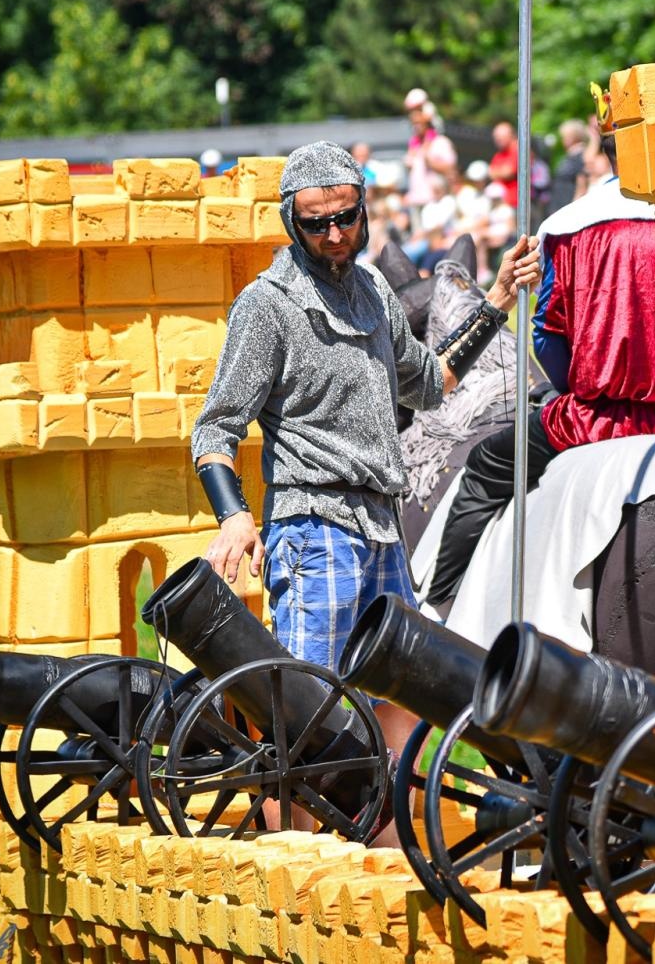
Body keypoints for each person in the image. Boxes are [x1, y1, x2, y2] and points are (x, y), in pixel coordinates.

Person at [192, 141, 539, 764]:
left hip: (383, 527)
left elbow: (429, 384)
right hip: (313, 527)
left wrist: (497, 302)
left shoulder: (375, 289)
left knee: (403, 702)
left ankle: (383, 840)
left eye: (346, 217)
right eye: (316, 223)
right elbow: (214, 430)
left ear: (364, 212)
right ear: (291, 223)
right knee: (310, 712)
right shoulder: (267, 306)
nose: (333, 234)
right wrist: (235, 516)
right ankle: (304, 852)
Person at [427, 83, 655, 604]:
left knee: (485, 467)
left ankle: (441, 603)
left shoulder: (565, 225)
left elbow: (549, 341)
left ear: (604, 148)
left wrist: (575, 383)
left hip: (597, 418)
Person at [402, 89, 457, 209]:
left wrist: (430, 161)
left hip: (435, 202)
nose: (416, 127)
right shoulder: (414, 145)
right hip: (417, 201)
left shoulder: (440, 142)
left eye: (419, 123)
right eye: (414, 123)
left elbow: (450, 169)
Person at [551, 119, 590, 208]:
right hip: (561, 204)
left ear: (572, 137)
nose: (563, 140)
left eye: (564, 137)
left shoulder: (580, 156)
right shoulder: (571, 155)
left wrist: (573, 208)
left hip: (569, 206)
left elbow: (582, 186)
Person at [488, 121, 520, 209]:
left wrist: (498, 172)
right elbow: (491, 173)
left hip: (515, 204)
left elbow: (509, 172)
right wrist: (501, 172)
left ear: (511, 136)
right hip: (502, 203)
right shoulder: (499, 155)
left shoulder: (518, 150)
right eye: (496, 137)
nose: (497, 140)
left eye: (501, 137)